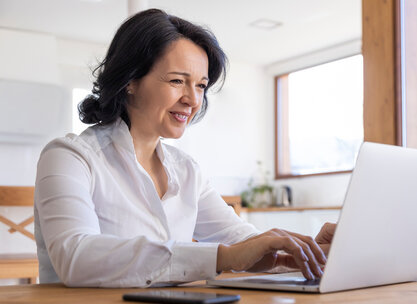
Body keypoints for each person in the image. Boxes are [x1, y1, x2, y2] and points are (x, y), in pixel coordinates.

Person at [34, 8, 335, 288]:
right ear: (130, 81)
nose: (193, 100)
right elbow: (75, 256)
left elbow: (242, 241)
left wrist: (307, 251)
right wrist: (221, 257)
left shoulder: (186, 170)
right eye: (178, 80)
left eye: (201, 85)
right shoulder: (69, 157)